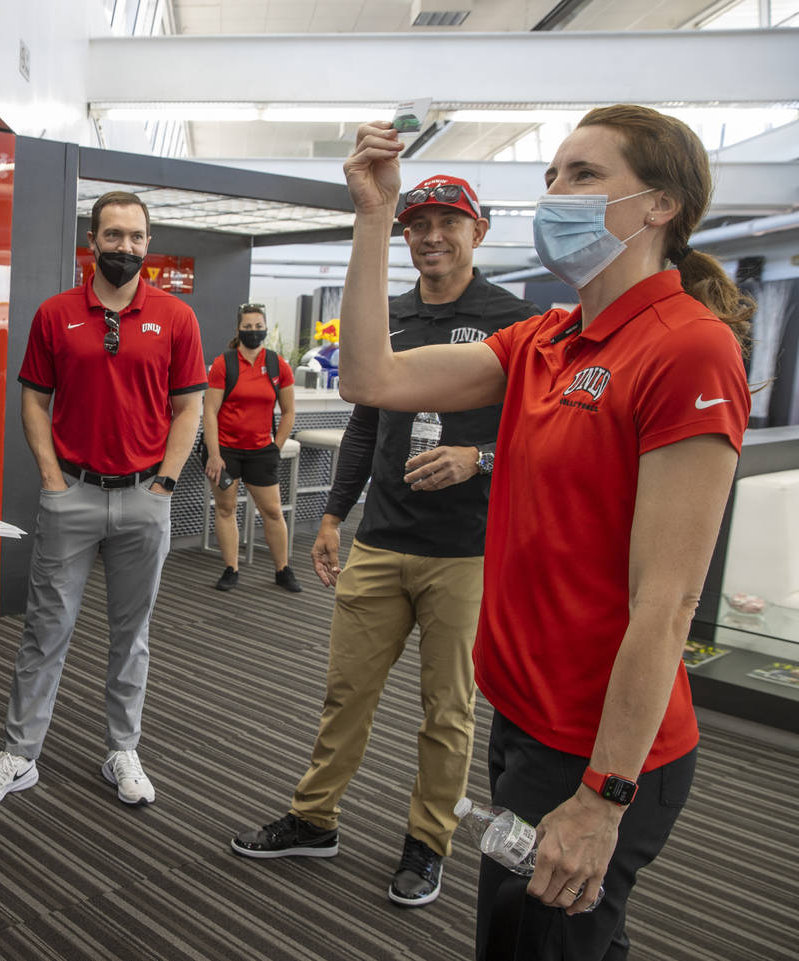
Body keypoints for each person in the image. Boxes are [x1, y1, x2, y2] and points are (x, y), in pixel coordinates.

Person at [335, 108, 751, 960]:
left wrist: (604, 795)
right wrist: (374, 215)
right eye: (553, 173)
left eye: (582, 174)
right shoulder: (545, 338)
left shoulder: (688, 350)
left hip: (600, 748)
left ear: (659, 205)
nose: (554, 191)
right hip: (526, 720)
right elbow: (369, 376)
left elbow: (667, 605)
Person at [231, 176, 538, 909]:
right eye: (417, 224)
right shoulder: (390, 316)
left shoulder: (517, 324)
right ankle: (314, 817)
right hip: (381, 539)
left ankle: (427, 843)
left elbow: (540, 434)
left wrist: (479, 457)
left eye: (447, 222)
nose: (431, 235)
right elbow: (368, 420)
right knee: (346, 693)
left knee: (448, 710)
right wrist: (334, 514)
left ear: (479, 231)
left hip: (466, 551)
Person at [0, 190, 206, 810]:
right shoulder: (56, 314)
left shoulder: (177, 318)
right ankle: (20, 754)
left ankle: (123, 748)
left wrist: (167, 484)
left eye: (137, 237)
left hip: (145, 498)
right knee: (46, 630)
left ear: (148, 244)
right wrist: (49, 477)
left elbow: (189, 409)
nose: (126, 247)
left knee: (133, 633)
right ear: (92, 241)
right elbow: (33, 400)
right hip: (71, 494)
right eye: (115, 235)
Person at [203, 302, 301, 593]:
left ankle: (283, 569)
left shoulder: (277, 364)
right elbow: (209, 412)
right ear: (239, 329)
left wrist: (276, 446)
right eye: (248, 327)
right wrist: (214, 454)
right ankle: (231, 569)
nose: (254, 332)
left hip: (261, 451)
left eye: (259, 327)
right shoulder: (224, 364)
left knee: (272, 511)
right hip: (226, 451)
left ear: (266, 328)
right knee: (226, 509)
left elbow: (289, 411)